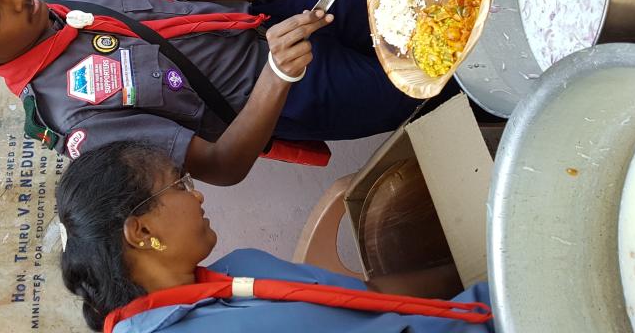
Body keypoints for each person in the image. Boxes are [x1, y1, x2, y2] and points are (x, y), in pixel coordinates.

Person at [0, 0, 419, 185]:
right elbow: (222, 166)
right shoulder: (75, 119)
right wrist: (279, 76)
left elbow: (167, 7)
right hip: (294, 91)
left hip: (275, 20)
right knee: (429, 82)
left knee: (420, 7)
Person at [54, 140, 495, 332]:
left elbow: (370, 298)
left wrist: (497, 269)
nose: (198, 195)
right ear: (142, 230)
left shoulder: (242, 267)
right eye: (180, 184)